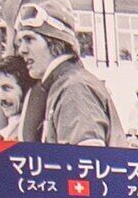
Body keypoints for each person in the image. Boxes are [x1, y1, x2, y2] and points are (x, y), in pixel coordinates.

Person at [11, 8, 115, 146]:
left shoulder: (74, 88)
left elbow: (86, 161)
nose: (21, 50)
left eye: (29, 39)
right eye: (20, 42)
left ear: (55, 42)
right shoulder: (64, 84)